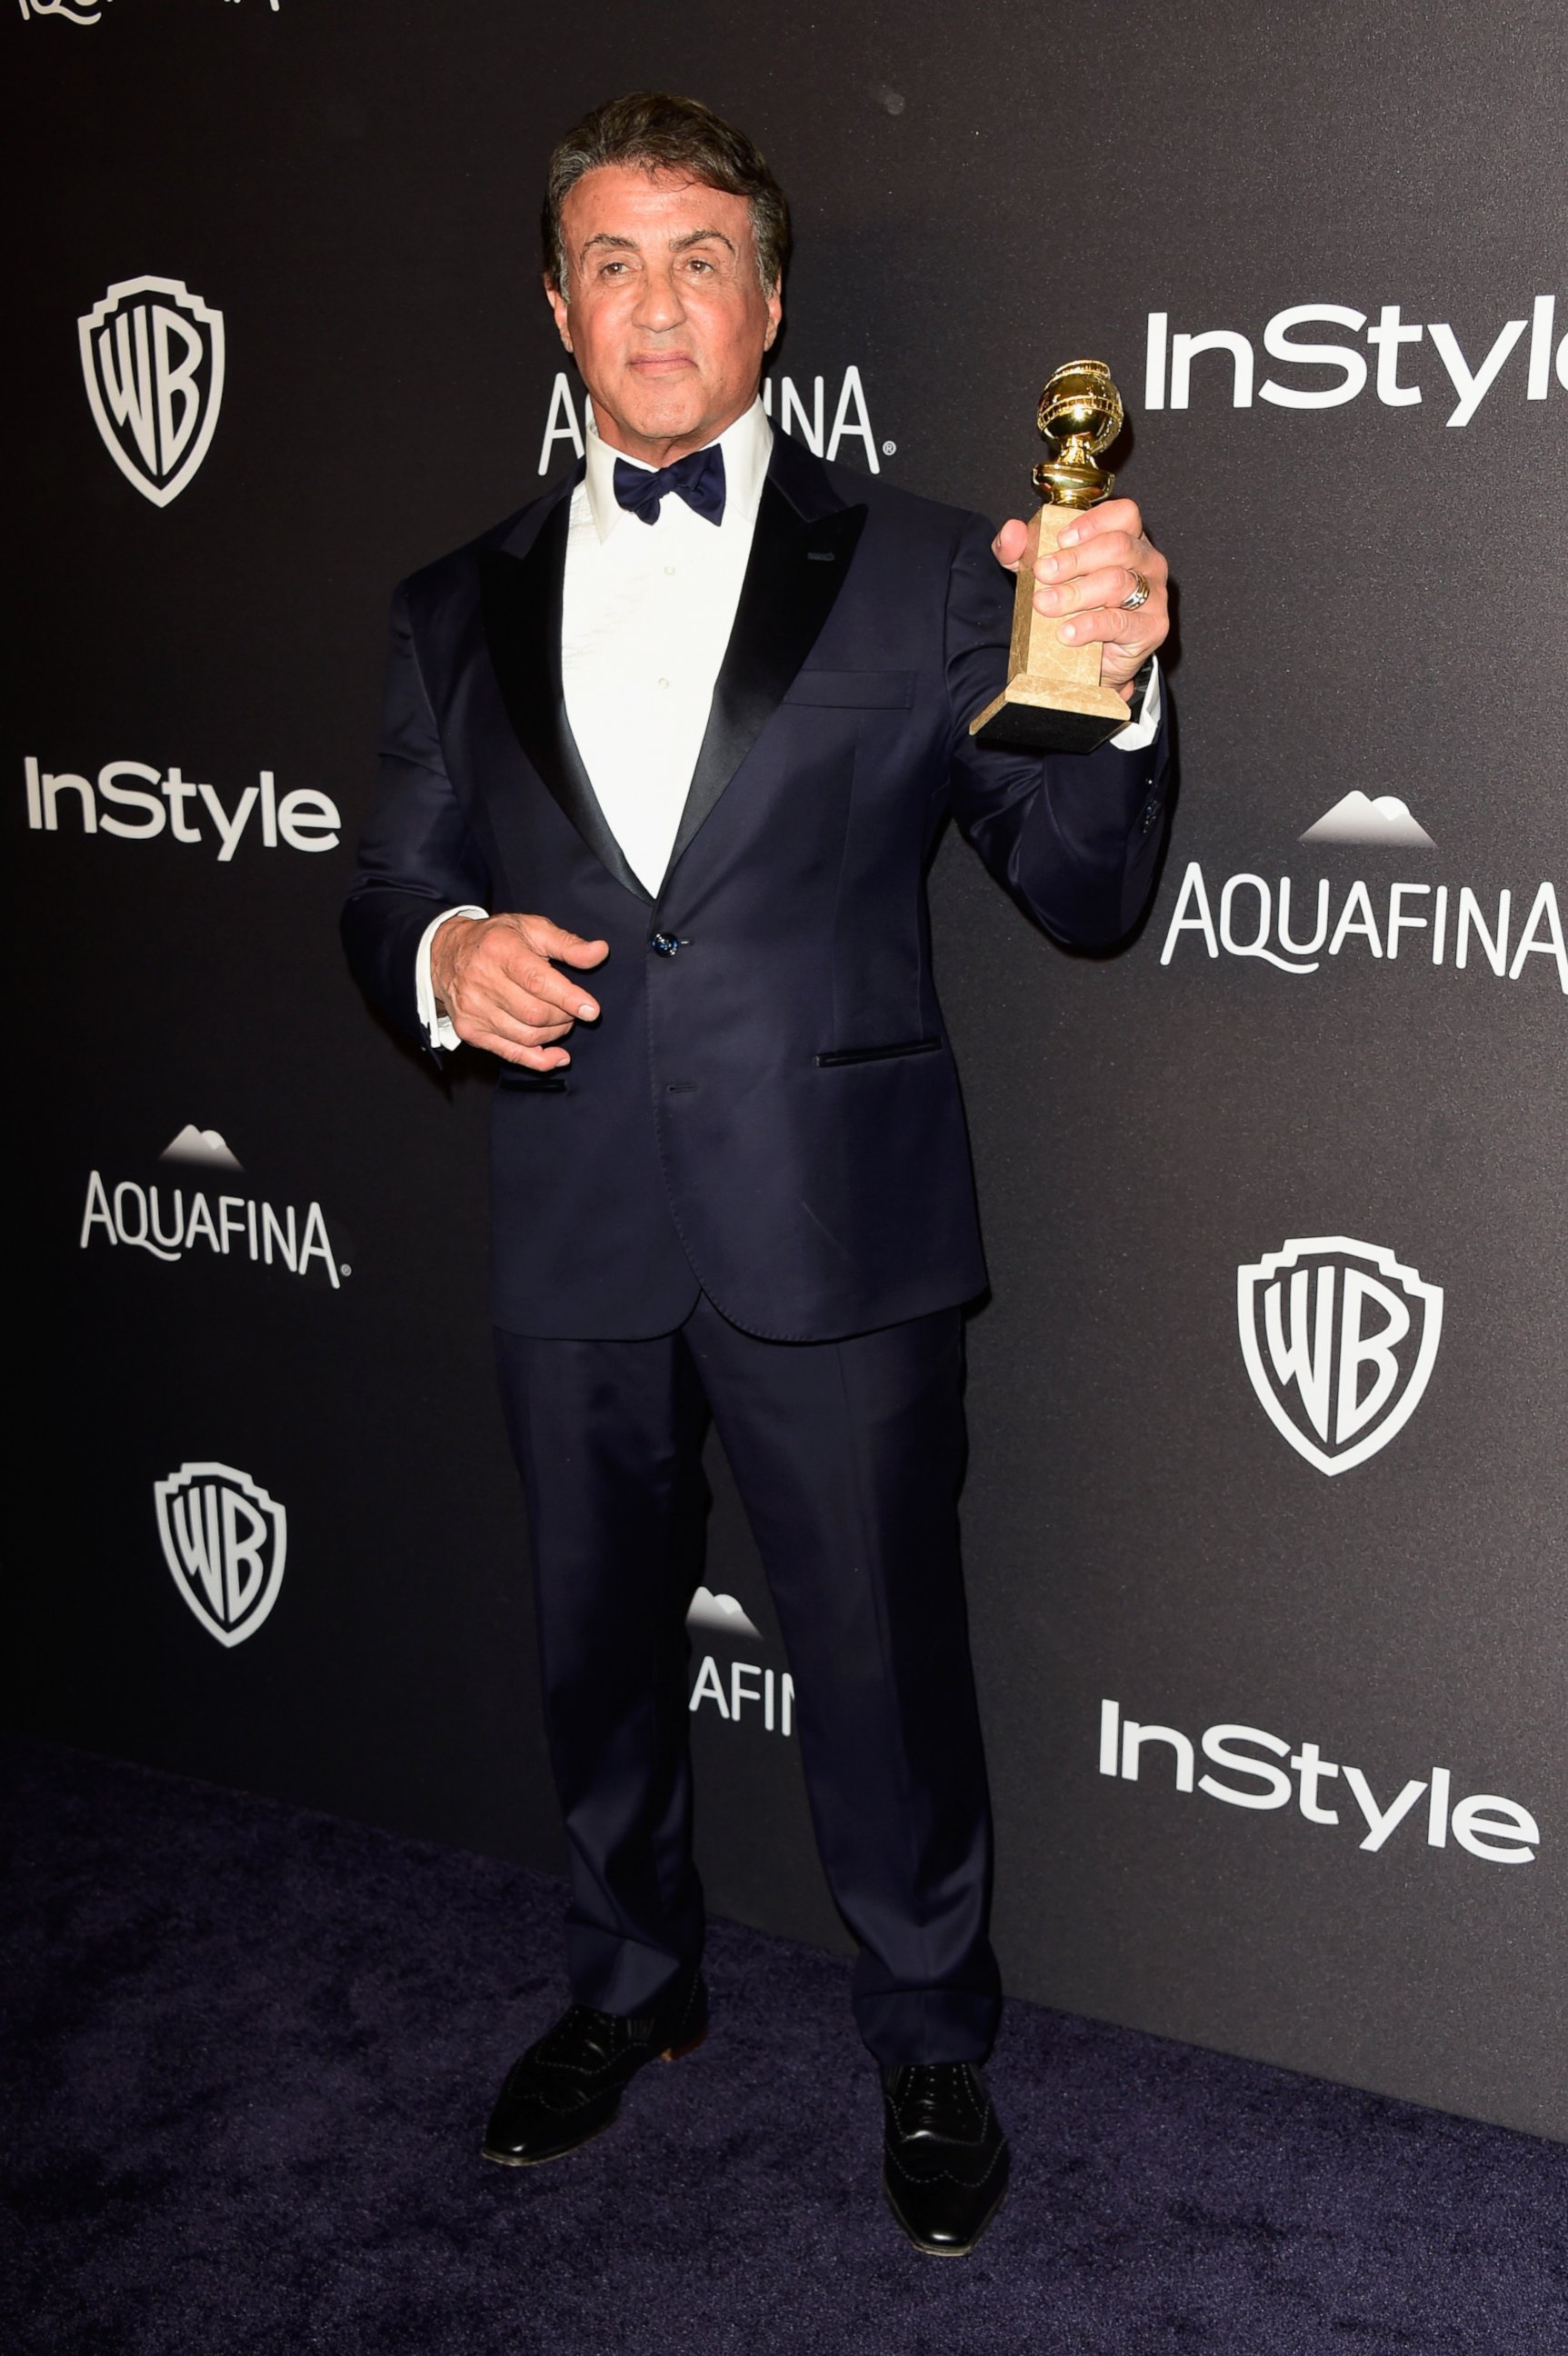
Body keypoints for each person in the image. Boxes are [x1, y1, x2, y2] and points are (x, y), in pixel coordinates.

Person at [342, 90, 1171, 2258]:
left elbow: (1084, 891)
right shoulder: (449, 605)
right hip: (571, 1220)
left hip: (839, 1213)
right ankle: (630, 1982)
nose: (653, 299)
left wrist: (1119, 681)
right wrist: (438, 954)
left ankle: (926, 2037)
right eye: (609, 259)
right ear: (554, 307)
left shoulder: (928, 570)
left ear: (769, 303)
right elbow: (389, 885)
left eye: (697, 256)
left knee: (882, 1655)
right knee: (594, 1646)